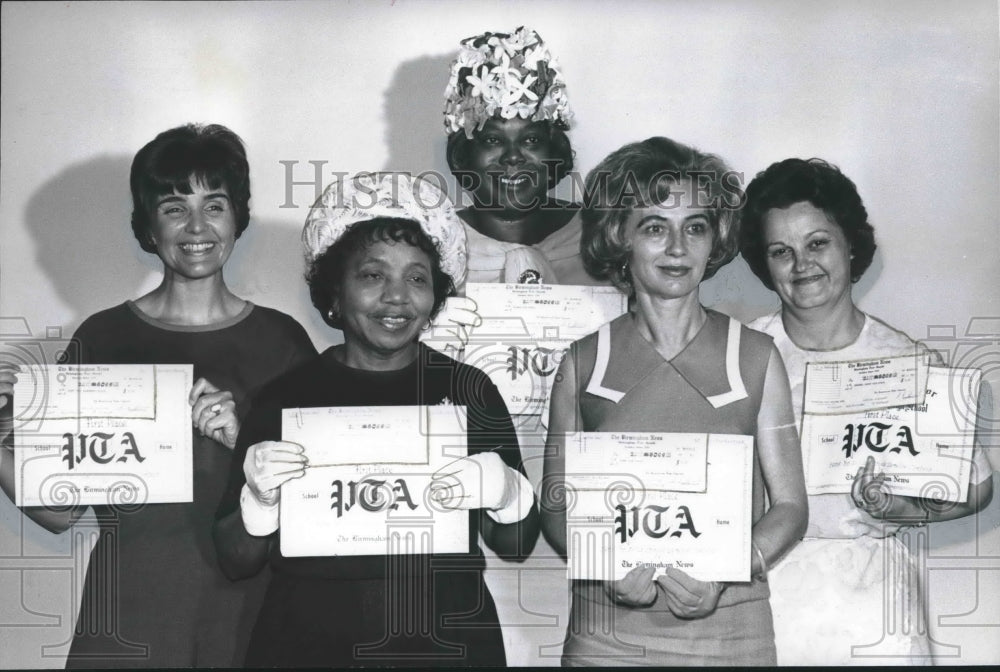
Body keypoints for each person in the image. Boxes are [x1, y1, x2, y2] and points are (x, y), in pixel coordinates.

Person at [0, 124, 317, 668]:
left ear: (237, 216)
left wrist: (246, 442)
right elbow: (59, 510)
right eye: (174, 208)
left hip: (251, 613)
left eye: (214, 205)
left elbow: (322, 506)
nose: (197, 227)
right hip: (129, 612)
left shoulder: (284, 342)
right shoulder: (101, 337)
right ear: (148, 226)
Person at [213, 172, 540, 667]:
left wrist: (507, 494)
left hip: (449, 647)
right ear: (335, 292)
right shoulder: (286, 397)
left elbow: (517, 544)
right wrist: (259, 504)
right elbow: (236, 560)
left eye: (416, 278)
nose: (396, 297)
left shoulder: (469, 390)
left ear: (435, 296)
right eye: (372, 275)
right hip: (307, 646)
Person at [539, 137, 808, 666]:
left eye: (696, 227)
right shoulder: (582, 363)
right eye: (655, 227)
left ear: (716, 240)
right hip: (605, 642)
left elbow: (791, 508)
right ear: (621, 237)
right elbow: (555, 507)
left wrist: (730, 567)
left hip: (732, 638)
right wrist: (603, 566)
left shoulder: (755, 356)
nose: (678, 248)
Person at [739, 157, 994, 665]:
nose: (802, 264)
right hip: (763, 607)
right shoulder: (739, 357)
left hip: (876, 615)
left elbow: (976, 486)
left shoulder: (909, 361)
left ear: (850, 243)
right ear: (764, 266)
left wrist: (899, 509)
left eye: (817, 243)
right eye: (781, 252)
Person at [443, 26, 603, 286]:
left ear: (554, 152)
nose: (513, 157)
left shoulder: (600, 234)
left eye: (531, 140)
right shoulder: (436, 242)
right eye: (493, 140)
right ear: (464, 155)